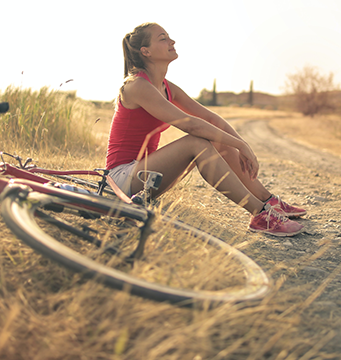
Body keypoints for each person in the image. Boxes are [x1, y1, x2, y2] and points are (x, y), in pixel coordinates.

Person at [105, 22, 306, 237]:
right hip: (120, 180)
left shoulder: (166, 87)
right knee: (197, 141)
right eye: (163, 38)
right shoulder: (136, 86)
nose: (172, 41)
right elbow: (190, 123)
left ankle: (269, 202)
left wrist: (242, 145)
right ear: (146, 52)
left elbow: (209, 117)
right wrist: (239, 144)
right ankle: (260, 214)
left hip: (147, 178)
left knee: (218, 138)